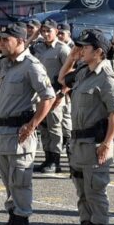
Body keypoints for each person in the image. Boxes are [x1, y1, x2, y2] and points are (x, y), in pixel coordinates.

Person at [0, 22, 56, 225]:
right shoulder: (6, 63)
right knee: (9, 182)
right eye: (0, 39)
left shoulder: (31, 65)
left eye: (6, 40)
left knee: (21, 182)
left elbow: (48, 97)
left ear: (20, 41)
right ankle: (12, 220)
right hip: (3, 132)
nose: (2, 43)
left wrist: (32, 124)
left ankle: (22, 224)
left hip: (19, 134)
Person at [61, 29, 114, 225]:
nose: (81, 50)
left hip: (95, 144)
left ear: (98, 52)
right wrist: (71, 58)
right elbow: (61, 80)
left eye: (85, 47)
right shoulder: (84, 72)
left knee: (96, 194)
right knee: (82, 194)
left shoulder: (106, 77)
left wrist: (108, 143)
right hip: (78, 144)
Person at [30, 19, 70, 174]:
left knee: (54, 127)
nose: (45, 34)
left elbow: (70, 75)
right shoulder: (38, 47)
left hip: (55, 93)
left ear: (56, 32)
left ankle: (55, 161)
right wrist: (33, 35)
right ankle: (47, 158)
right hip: (40, 94)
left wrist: (62, 94)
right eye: (43, 31)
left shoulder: (62, 49)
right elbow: (23, 49)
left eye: (49, 31)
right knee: (44, 126)